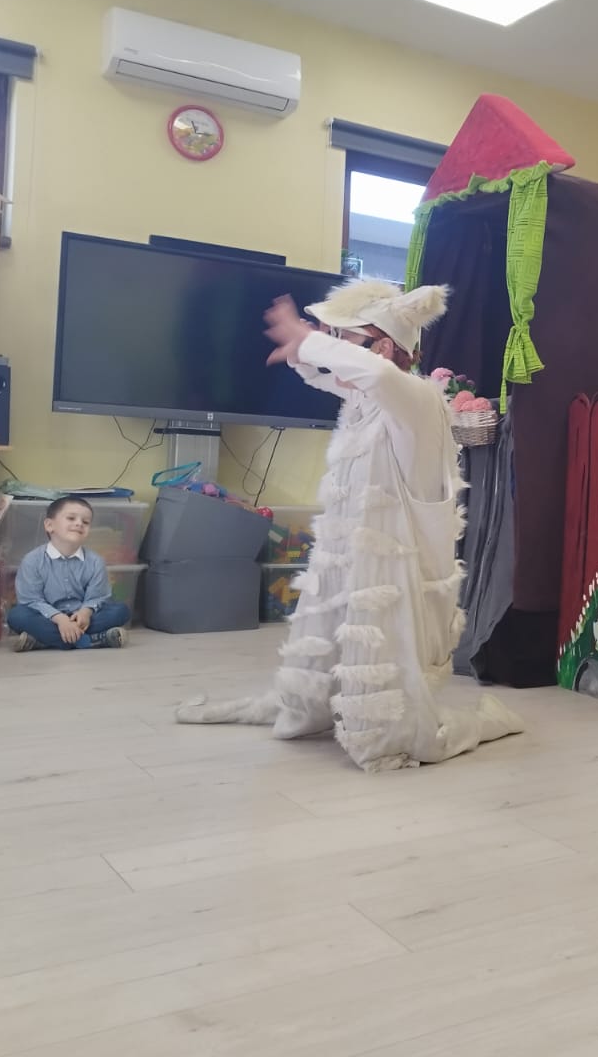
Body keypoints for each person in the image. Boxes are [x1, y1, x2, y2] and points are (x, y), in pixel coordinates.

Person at [176, 279, 523, 770]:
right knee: (319, 660)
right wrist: (303, 358)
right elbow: (340, 378)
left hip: (398, 585)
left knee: (390, 727)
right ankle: (311, 707)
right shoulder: (368, 404)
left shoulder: (419, 402)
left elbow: (375, 375)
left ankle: (472, 722)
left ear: (382, 347)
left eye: (345, 338)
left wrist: (308, 341)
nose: (336, 349)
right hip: (353, 566)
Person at [7, 496, 132, 651]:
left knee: (120, 611)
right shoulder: (32, 560)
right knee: (17, 616)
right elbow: (32, 600)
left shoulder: (95, 561)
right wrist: (60, 619)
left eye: (85, 522)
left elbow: (97, 597)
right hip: (47, 618)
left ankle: (44, 641)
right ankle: (93, 640)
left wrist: (85, 612)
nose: (79, 523)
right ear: (49, 525)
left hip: (82, 618)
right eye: (71, 518)